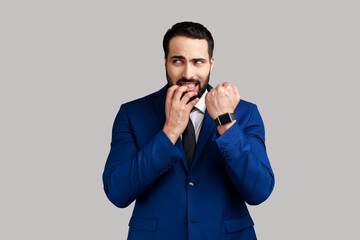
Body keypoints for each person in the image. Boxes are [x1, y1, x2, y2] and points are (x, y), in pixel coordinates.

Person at [102, 21, 274, 240]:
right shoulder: (132, 114)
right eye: (178, 61)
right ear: (165, 63)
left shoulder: (245, 112)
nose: (188, 73)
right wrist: (169, 132)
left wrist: (227, 124)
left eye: (198, 62)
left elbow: (259, 191)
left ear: (211, 64)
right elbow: (117, 192)